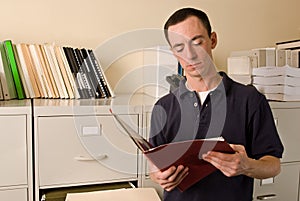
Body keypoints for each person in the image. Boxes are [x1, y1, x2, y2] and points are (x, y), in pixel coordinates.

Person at [149, 7, 284, 201]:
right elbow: (155, 168)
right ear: (173, 52)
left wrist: (247, 165)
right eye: (180, 48)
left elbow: (273, 164)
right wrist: (160, 177)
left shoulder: (250, 99)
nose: (190, 55)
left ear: (212, 40)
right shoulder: (163, 107)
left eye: (197, 42)